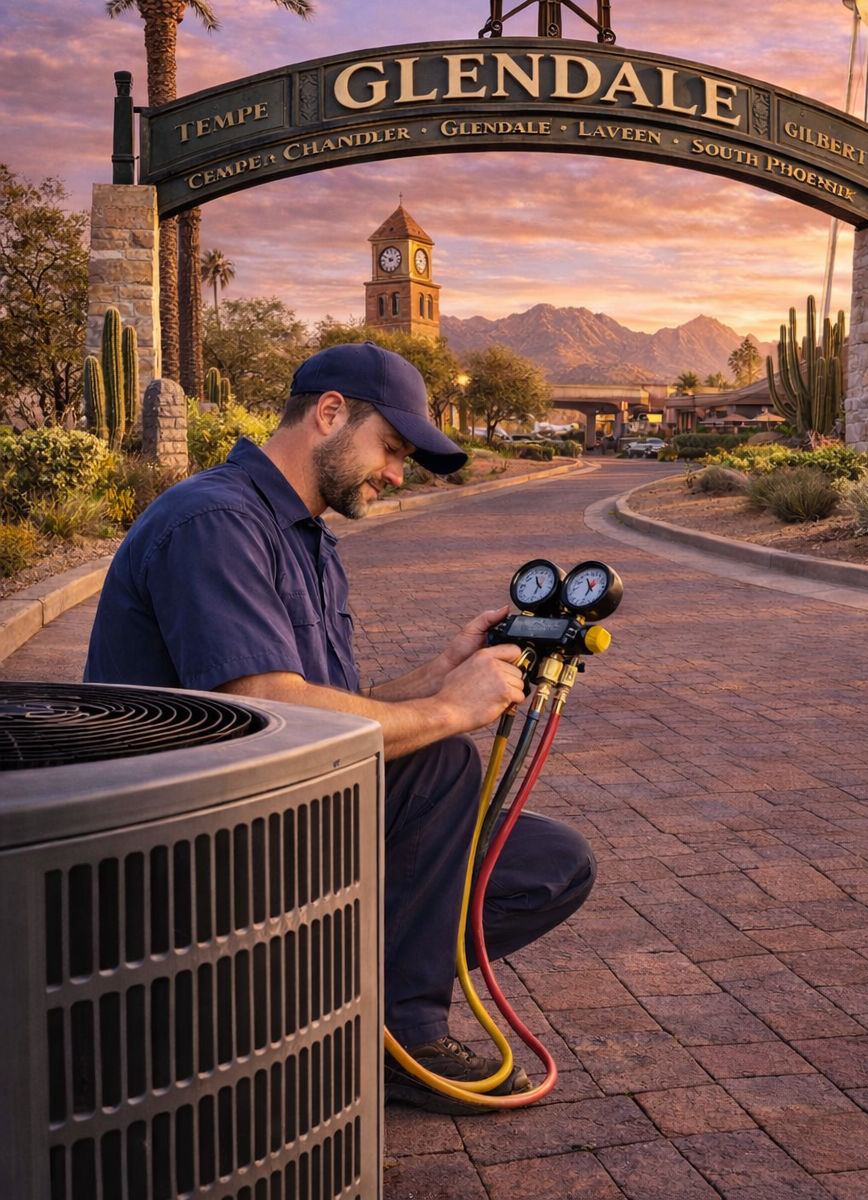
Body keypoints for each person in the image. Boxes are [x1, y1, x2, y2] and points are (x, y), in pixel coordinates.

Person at [86, 343, 595, 1113]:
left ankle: (332, 1001)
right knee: (440, 766)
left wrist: (441, 671)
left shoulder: (305, 535)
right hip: (194, 849)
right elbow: (271, 714)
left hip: (283, 813)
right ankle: (401, 1035)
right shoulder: (215, 521)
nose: (396, 475)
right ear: (330, 414)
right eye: (390, 449)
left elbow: (326, 707)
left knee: (548, 864)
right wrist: (448, 711)